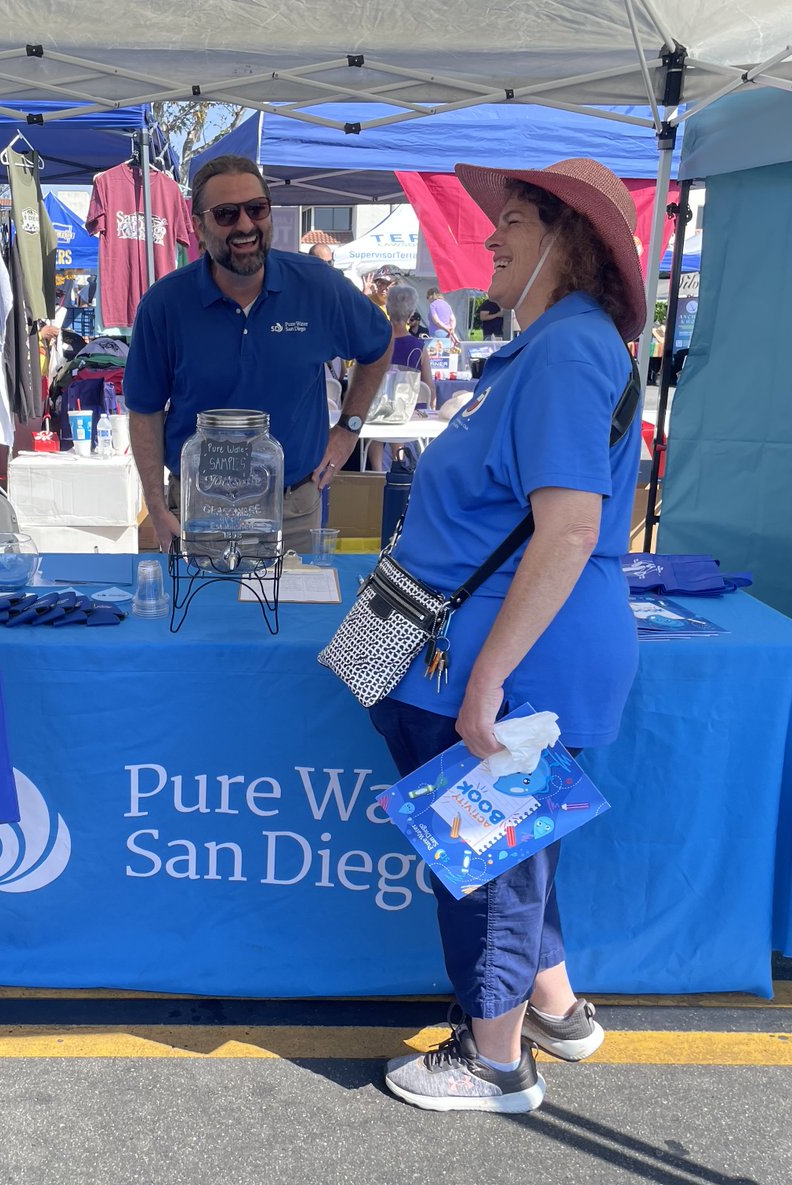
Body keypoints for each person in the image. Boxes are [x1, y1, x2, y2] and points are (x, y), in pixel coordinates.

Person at [372, 157, 644, 1113]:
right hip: (434, 635)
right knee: (510, 844)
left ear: (570, 242)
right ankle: (557, 1008)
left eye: (516, 219)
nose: (491, 234)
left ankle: (495, 1060)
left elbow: (569, 527)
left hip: (493, 657)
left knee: (491, 856)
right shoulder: (542, 347)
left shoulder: (569, 349)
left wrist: (488, 676)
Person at [125, 155, 392, 557]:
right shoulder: (165, 304)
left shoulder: (318, 287)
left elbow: (380, 345)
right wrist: (158, 507)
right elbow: (144, 411)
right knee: (201, 619)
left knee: (290, 620)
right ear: (198, 226)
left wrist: (349, 429)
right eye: (226, 214)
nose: (245, 225)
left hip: (293, 512)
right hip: (200, 510)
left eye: (256, 209)